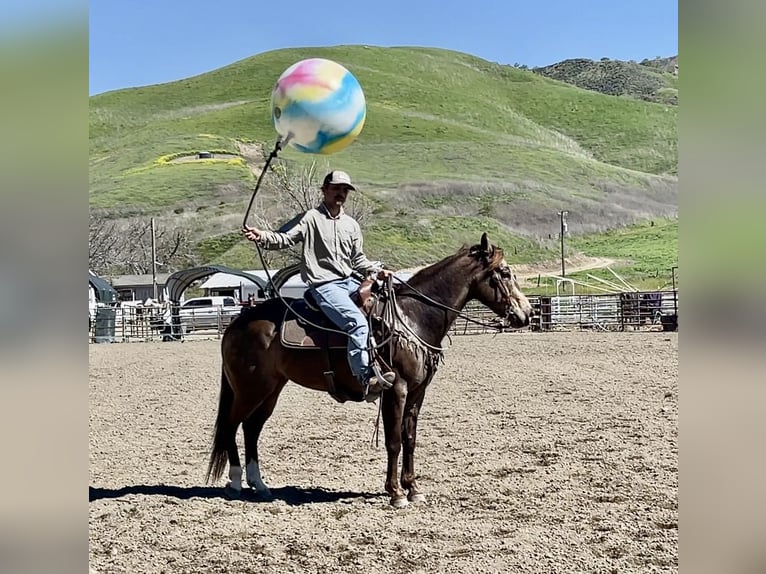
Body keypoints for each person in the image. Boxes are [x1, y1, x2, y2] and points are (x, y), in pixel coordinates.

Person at [242, 170, 395, 396]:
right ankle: (365, 378)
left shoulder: (351, 225)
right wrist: (262, 236)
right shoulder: (310, 218)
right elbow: (284, 237)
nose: (340, 193)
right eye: (336, 189)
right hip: (324, 285)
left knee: (386, 308)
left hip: (349, 281)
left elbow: (358, 259)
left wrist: (377, 271)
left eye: (344, 190)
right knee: (357, 323)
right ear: (324, 190)